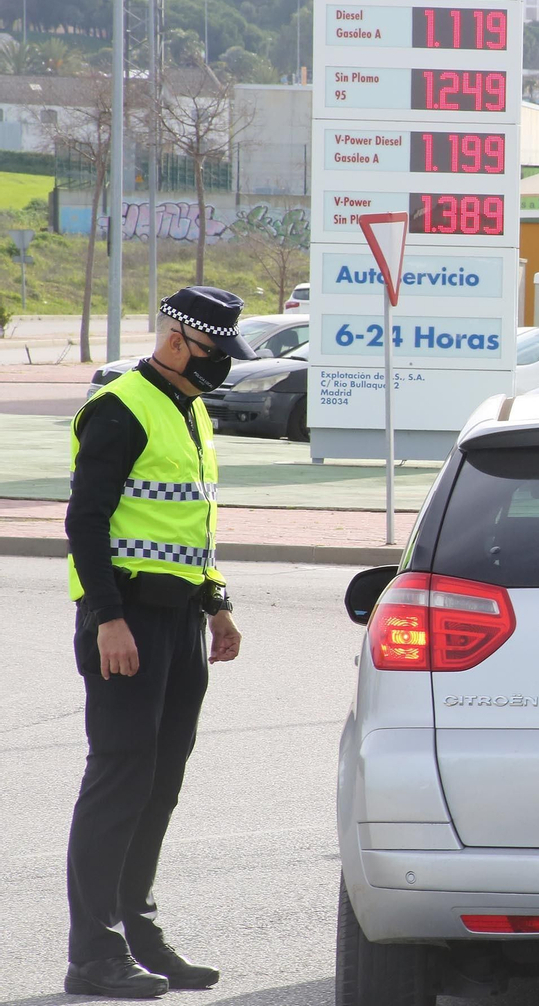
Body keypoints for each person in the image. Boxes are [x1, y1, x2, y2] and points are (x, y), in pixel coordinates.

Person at [63, 288, 254, 998]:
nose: (219, 371)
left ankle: (139, 934)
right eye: (213, 355)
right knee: (119, 780)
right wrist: (106, 617)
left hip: (179, 623)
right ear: (177, 340)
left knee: (159, 786)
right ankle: (94, 954)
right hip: (126, 620)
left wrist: (218, 603)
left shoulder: (189, 408)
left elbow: (189, 523)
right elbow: (86, 522)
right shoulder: (120, 407)